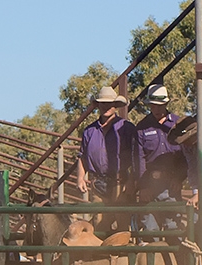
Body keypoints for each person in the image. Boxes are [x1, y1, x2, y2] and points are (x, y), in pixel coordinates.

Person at [76, 86, 138, 228]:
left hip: (120, 182)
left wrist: (132, 180)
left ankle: (122, 243)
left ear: (115, 106)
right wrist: (80, 178)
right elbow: (82, 157)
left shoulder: (127, 128)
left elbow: (137, 157)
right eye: (103, 103)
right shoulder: (89, 131)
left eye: (109, 104)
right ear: (98, 105)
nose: (106, 107)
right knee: (99, 223)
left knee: (123, 223)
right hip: (98, 183)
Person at [135, 84, 188, 236]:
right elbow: (139, 159)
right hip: (149, 185)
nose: (156, 109)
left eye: (159, 105)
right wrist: (143, 187)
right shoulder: (142, 127)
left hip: (172, 186)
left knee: (174, 229)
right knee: (150, 231)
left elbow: (185, 156)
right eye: (153, 105)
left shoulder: (178, 124)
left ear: (166, 104)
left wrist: (179, 178)